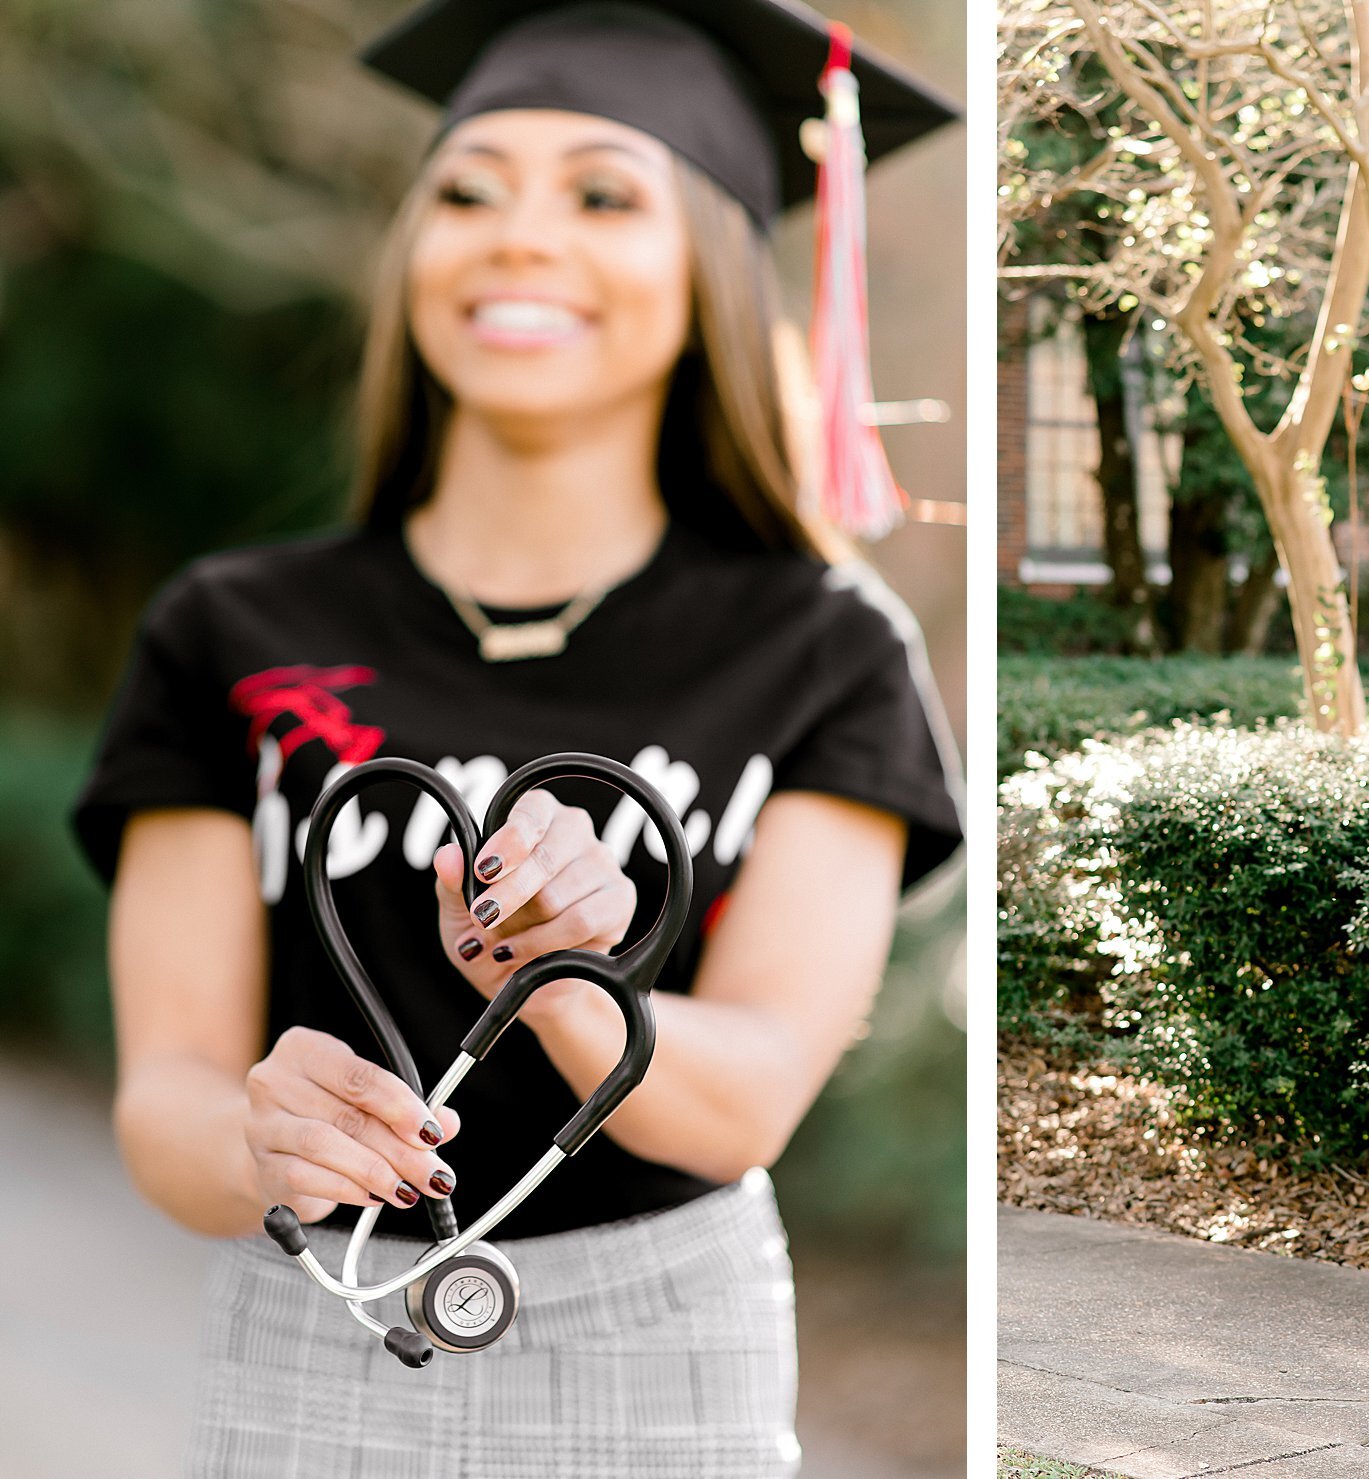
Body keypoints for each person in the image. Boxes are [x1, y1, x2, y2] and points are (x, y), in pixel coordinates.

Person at [66, 0, 963, 1472]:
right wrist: (257, 1135)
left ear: (711, 261)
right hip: (317, 1315)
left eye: (602, 193)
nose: (518, 237)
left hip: (665, 1340)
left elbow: (748, 1093)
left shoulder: (825, 646)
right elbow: (167, 1089)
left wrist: (568, 982)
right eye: (467, 192)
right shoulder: (226, 625)